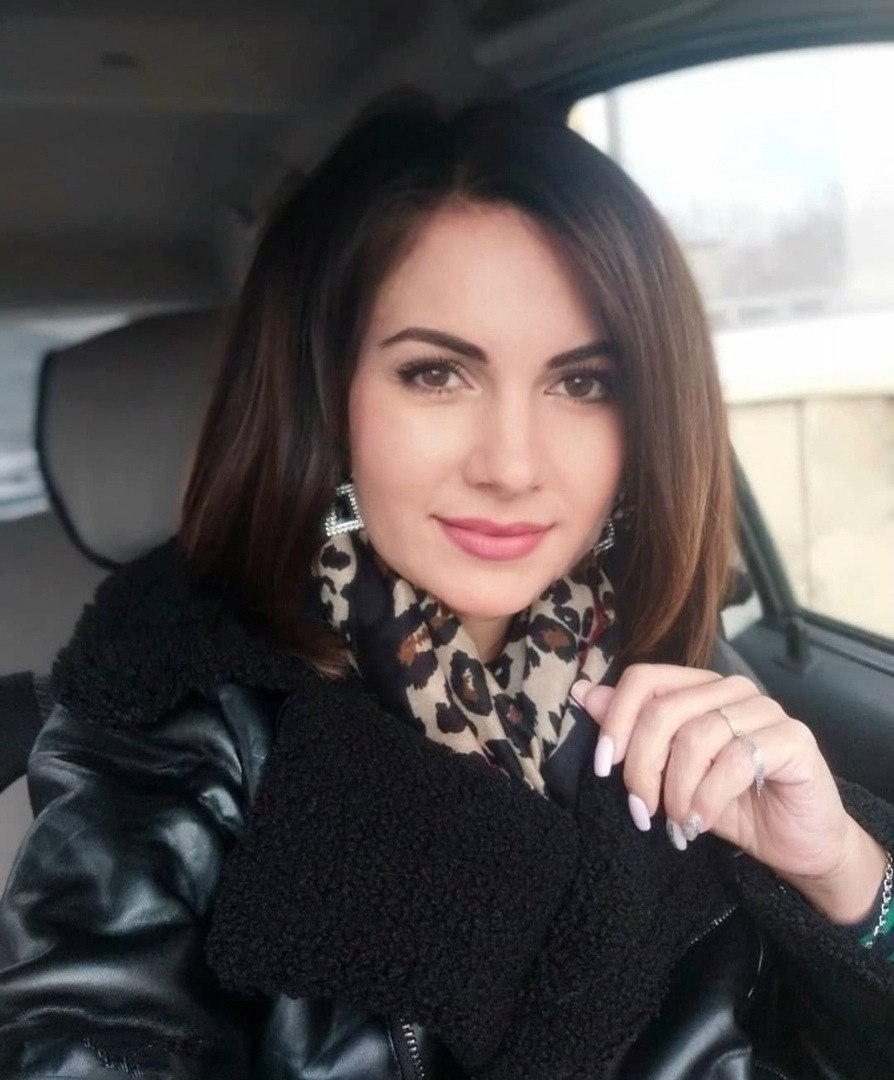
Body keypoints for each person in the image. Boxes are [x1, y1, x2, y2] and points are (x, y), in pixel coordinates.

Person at [1, 99, 893, 1080]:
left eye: (582, 383)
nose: (511, 465)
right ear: (329, 395)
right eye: (435, 374)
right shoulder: (172, 713)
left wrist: (844, 874)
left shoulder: (675, 661)